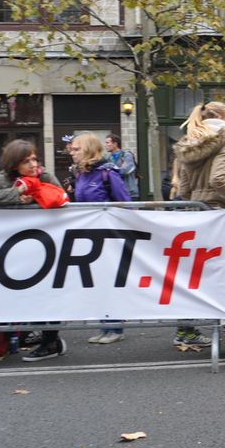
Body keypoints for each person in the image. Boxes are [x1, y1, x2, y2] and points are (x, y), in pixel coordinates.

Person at [173, 101, 225, 346]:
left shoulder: (192, 140)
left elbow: (185, 188)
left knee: (195, 275)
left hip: (196, 212)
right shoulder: (224, 138)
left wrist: (197, 201)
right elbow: (219, 179)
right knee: (223, 274)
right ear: (223, 118)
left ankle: (186, 329)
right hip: (218, 213)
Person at [0, 139, 67, 361]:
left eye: (34, 159)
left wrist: (35, 196)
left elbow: (61, 197)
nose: (32, 164)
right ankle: (27, 336)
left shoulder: (44, 176)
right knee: (27, 293)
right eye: (26, 161)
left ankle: (50, 341)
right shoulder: (6, 179)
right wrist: (17, 193)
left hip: (47, 243)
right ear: (14, 164)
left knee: (47, 293)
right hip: (18, 248)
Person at [69, 133, 131, 345]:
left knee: (109, 282)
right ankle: (104, 326)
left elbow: (125, 202)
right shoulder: (80, 174)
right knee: (97, 283)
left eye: (76, 149)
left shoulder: (108, 173)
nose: (72, 153)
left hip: (110, 236)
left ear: (88, 150)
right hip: (89, 236)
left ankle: (115, 327)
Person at [104, 133, 139, 199]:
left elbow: (126, 170)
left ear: (115, 144)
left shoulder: (126, 155)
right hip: (115, 193)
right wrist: (119, 168)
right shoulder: (108, 158)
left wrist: (112, 168)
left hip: (129, 192)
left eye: (107, 143)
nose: (105, 145)